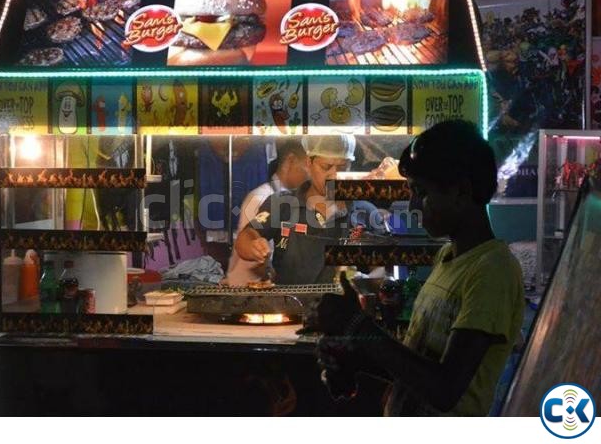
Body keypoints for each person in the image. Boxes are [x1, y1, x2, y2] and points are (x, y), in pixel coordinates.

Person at [306, 120, 525, 416]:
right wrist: (357, 357)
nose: (412, 205)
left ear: (461, 191)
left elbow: (445, 389)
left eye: (420, 192)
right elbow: (419, 369)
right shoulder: (448, 257)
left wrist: (359, 325)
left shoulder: (492, 271)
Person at [235, 134, 386, 285]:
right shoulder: (282, 204)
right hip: (291, 304)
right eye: (325, 167)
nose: (333, 175)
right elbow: (246, 237)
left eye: (342, 167)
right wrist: (253, 246)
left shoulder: (365, 211)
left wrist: (368, 279)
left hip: (344, 304)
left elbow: (383, 265)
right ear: (309, 163)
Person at [225, 138, 308, 286]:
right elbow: (253, 255)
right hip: (247, 288)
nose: (311, 176)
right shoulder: (260, 197)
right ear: (290, 160)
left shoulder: (292, 200)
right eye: (308, 167)